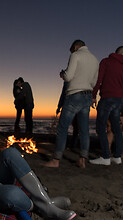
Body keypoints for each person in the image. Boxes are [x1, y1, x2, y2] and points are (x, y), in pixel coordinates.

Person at [43, 39, 99, 168]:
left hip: (75, 95)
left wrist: (62, 74)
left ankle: (56, 160)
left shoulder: (75, 55)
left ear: (75, 47)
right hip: (87, 96)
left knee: (62, 128)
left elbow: (68, 77)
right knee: (84, 130)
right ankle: (82, 159)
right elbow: (94, 83)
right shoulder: (95, 60)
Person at [90, 46, 123, 166]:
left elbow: (99, 79)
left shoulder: (106, 62)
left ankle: (105, 157)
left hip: (107, 98)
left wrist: (93, 95)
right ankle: (117, 156)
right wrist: (119, 98)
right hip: (118, 100)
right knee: (116, 128)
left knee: (101, 127)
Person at [107, 80, 123, 157]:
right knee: (120, 128)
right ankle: (122, 152)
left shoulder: (116, 81)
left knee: (110, 128)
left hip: (116, 106)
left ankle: (107, 152)